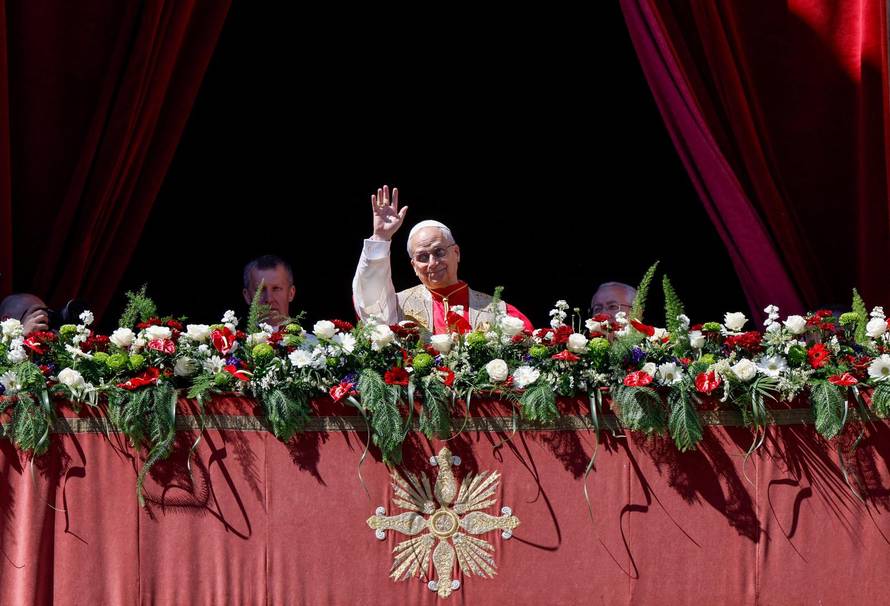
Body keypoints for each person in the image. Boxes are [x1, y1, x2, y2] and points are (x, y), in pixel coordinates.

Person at [352, 184, 533, 335]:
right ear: (414, 266)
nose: (432, 263)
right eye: (422, 257)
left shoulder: (500, 312)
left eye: (439, 252)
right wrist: (381, 238)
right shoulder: (395, 305)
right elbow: (370, 302)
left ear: (456, 253)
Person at [242, 255, 295, 328]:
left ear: (291, 293)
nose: (269, 299)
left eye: (276, 288)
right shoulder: (233, 340)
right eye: (260, 290)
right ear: (247, 296)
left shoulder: (314, 340)